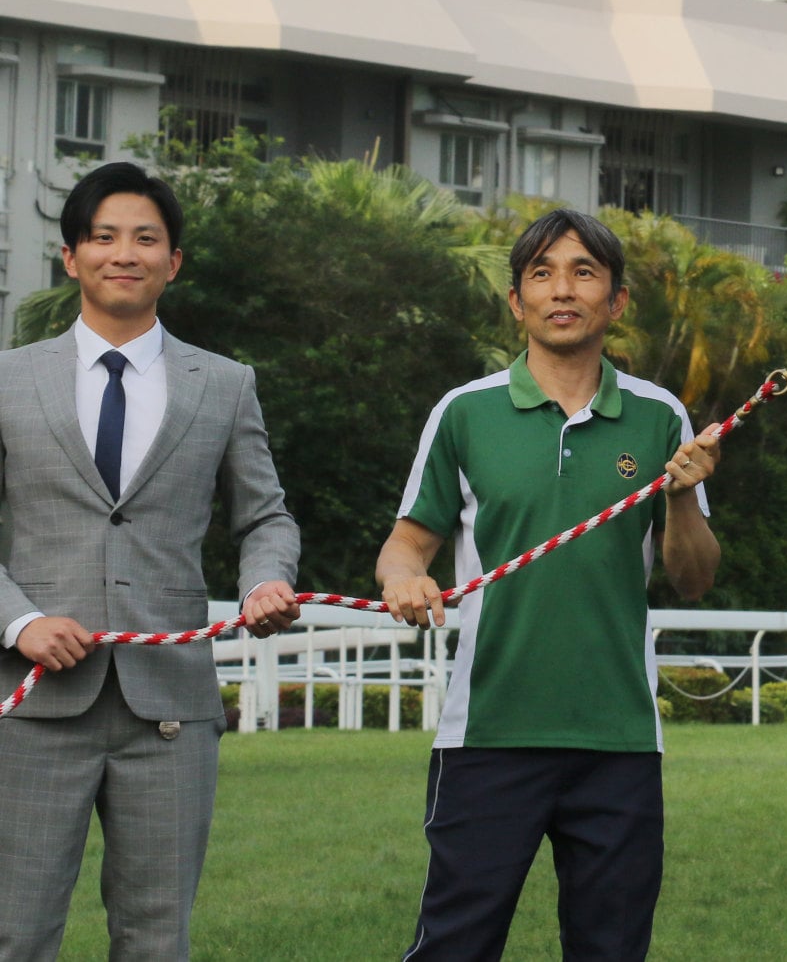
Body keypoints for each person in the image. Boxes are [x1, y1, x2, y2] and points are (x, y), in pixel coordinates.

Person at [376, 208, 723, 960]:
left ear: (616, 300)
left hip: (620, 740)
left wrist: (684, 496)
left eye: (583, 272)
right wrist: (407, 582)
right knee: (455, 947)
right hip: (488, 735)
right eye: (542, 273)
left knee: (611, 949)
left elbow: (692, 577)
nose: (562, 289)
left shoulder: (661, 416)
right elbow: (404, 548)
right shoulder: (464, 413)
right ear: (516, 300)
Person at [0, 161, 301, 961]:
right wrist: (20, 621)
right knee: (15, 932)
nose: (122, 253)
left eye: (145, 238)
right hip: (32, 710)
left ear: (174, 261)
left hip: (169, 709)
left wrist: (266, 579)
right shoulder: (7, 379)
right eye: (103, 237)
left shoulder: (226, 385)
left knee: (156, 938)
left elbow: (264, 514)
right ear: (71, 258)